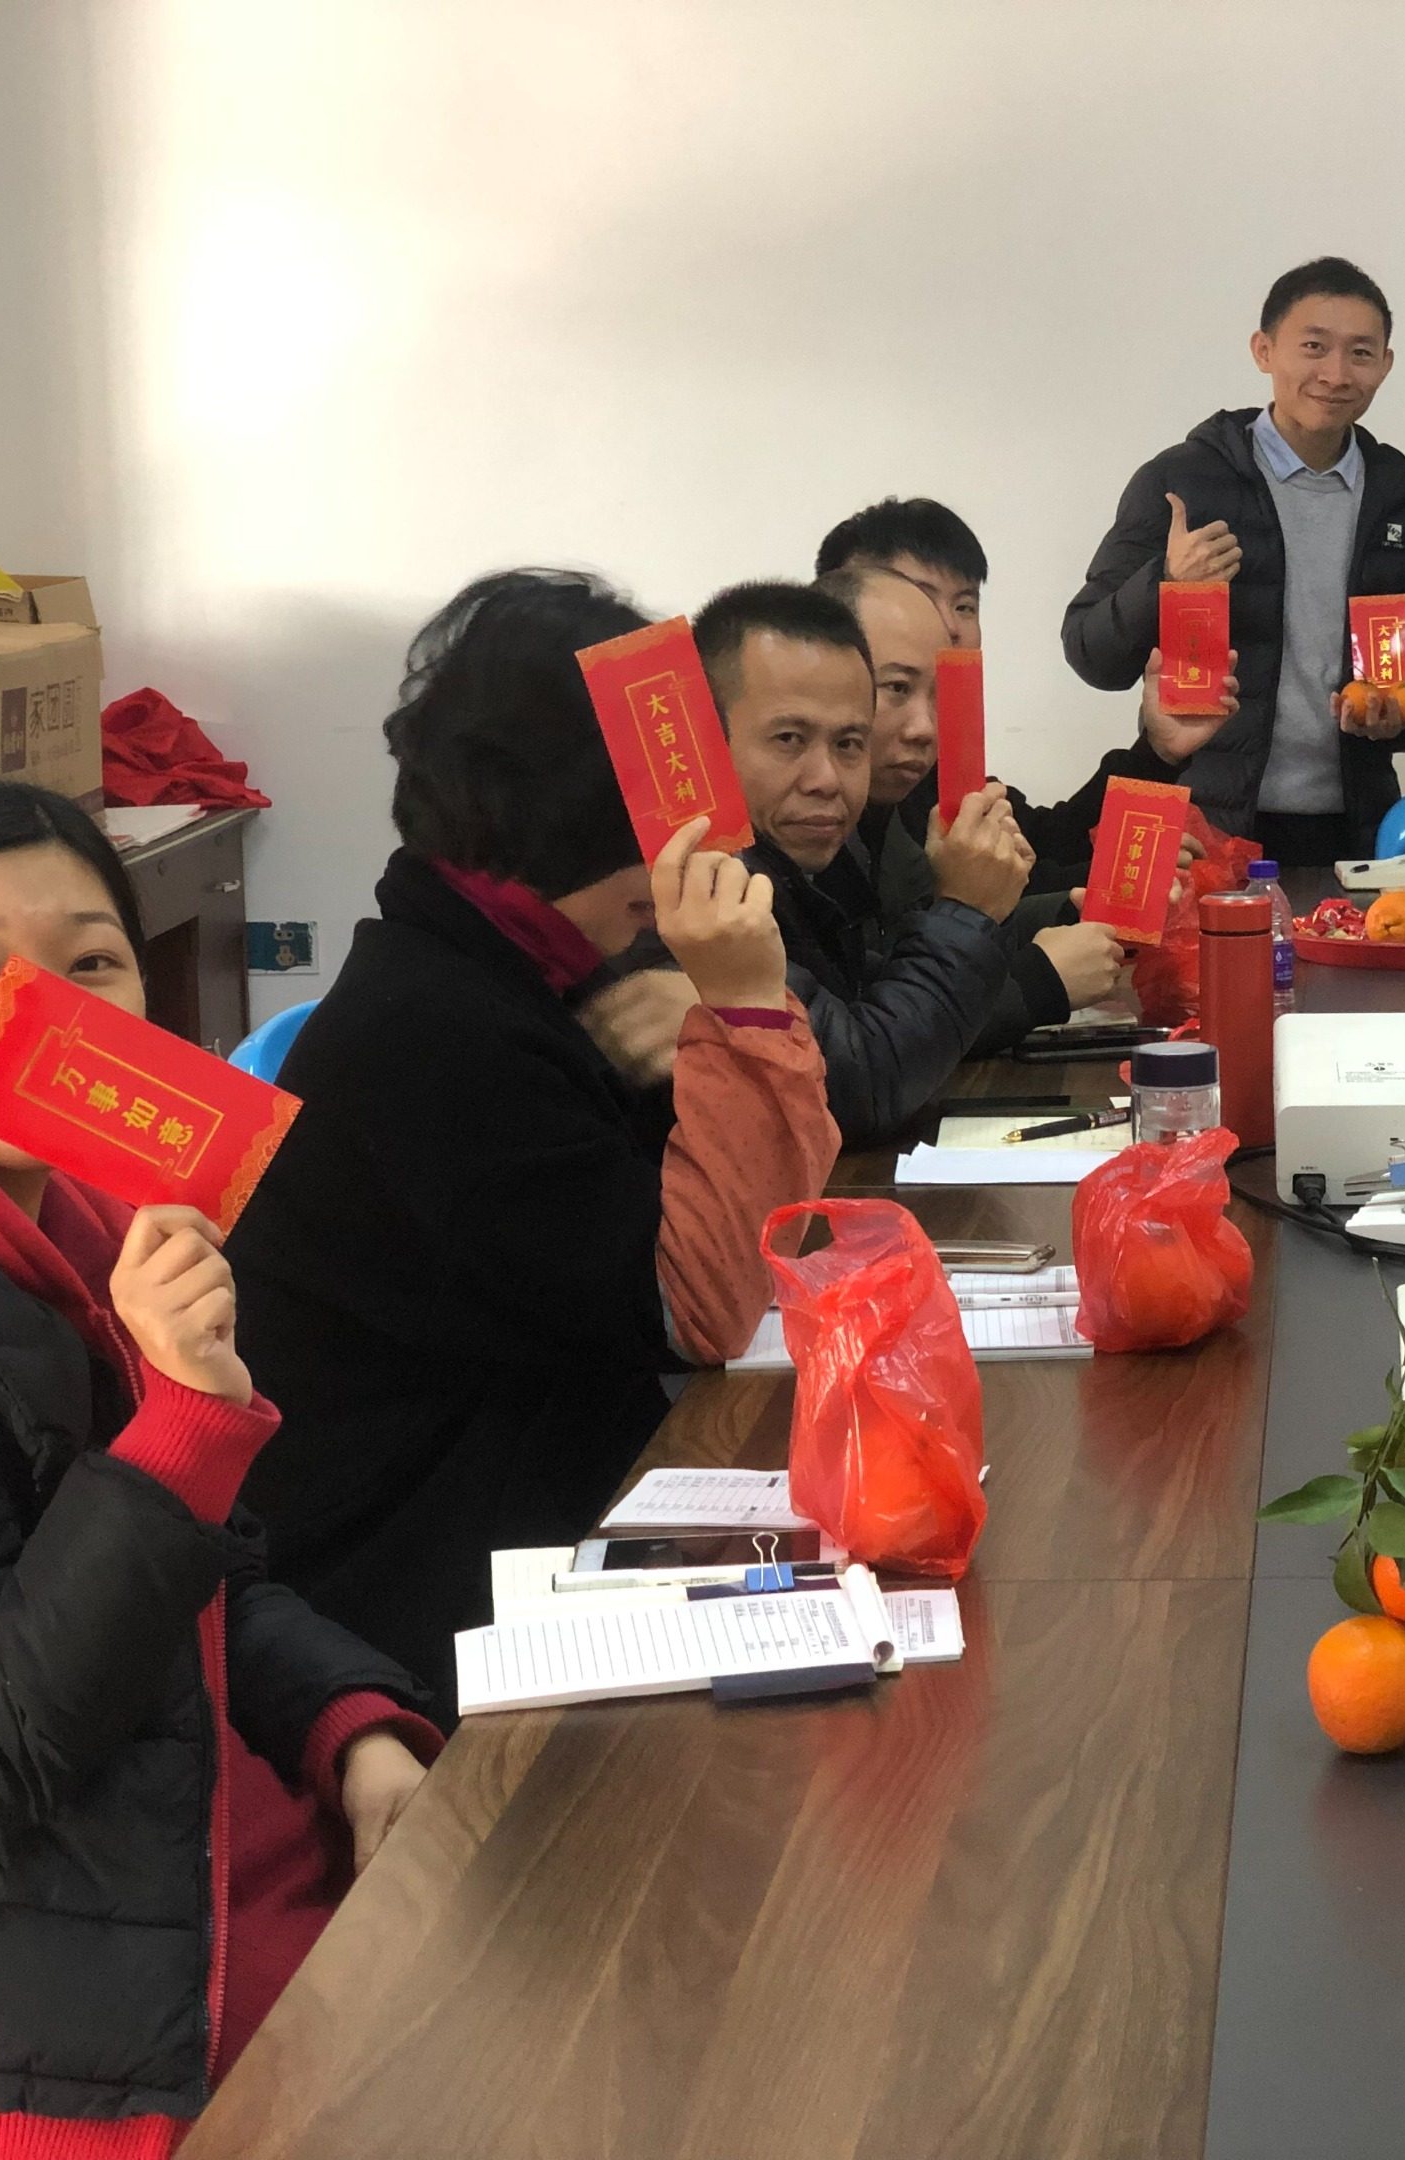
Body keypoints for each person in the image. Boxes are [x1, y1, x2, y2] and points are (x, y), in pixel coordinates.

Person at [233, 570, 839, 1704]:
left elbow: (756, 1239)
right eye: (658, 807)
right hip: (419, 1601)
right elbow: (700, 1306)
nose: (695, 850)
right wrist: (748, 1010)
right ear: (564, 808)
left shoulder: (520, 967)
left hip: (540, 1499)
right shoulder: (433, 1026)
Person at [0, 780, 440, 2149]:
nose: (34, 1007)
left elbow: (208, 1583)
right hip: (98, 2061)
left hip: (251, 1891)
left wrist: (348, 1725)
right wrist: (180, 1422)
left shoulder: (95, 1231)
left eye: (91, 963)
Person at [1060, 257, 1405, 864]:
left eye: (1360, 353)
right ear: (1263, 350)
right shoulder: (1183, 481)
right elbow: (1091, 653)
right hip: (1204, 826)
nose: (1335, 373)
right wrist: (1166, 582)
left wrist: (1398, 713)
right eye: (1314, 347)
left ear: (1385, 365)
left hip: (1355, 832)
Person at [695, 580, 1033, 1145]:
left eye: (849, 744)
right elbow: (856, 1086)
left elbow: (866, 1003)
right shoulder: (695, 890)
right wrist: (966, 912)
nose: (826, 780)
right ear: (707, 742)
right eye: (789, 739)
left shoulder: (801, 866)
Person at [818, 495, 1234, 884]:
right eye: (919, 599)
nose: (949, 627)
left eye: (965, 605)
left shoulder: (937, 757)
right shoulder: (813, 804)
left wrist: (1158, 753)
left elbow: (1036, 854)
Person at [815, 563, 1128, 1050]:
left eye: (964, 604)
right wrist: (1037, 980)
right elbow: (854, 1051)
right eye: (896, 688)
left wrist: (1062, 911)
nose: (924, 727)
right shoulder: (781, 846)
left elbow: (904, 950)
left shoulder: (888, 811)